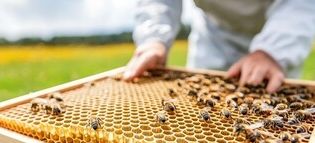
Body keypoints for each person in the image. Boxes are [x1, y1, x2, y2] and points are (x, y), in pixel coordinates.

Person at [123, 0, 315, 93]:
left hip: (279, 30)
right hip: (213, 36)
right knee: (200, 104)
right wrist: (153, 38)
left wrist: (272, 50)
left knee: (274, 112)